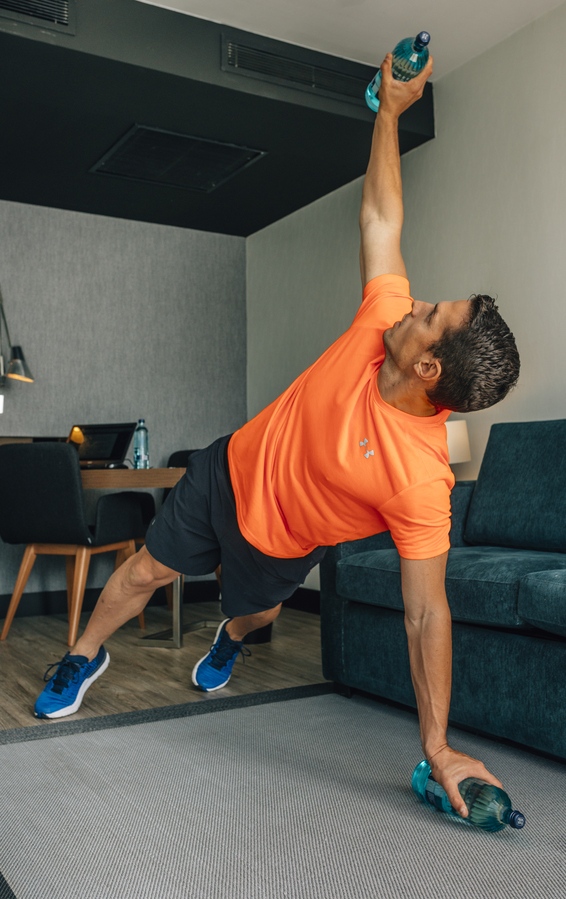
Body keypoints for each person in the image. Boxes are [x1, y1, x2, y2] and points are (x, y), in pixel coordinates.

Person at [34, 53, 519, 818]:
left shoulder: (420, 478)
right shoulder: (379, 321)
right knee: (138, 575)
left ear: (428, 366)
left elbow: (428, 613)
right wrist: (388, 112)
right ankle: (80, 657)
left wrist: (437, 745)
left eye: (428, 312)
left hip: (282, 545)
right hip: (226, 472)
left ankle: (228, 638)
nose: (414, 300)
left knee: (251, 614)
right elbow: (382, 218)